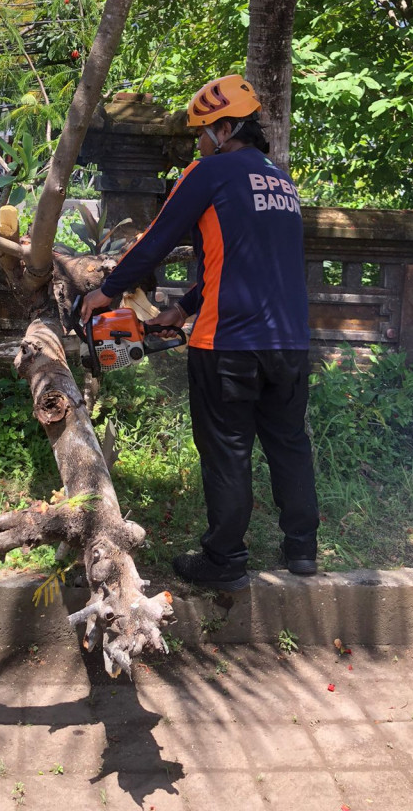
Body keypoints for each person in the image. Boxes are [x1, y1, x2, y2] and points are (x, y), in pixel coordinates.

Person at [81, 74, 319, 592]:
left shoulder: (209, 173)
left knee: (227, 447)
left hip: (230, 344)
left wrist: (108, 289)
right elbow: (245, 266)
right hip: (290, 343)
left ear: (227, 127)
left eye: (202, 132)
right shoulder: (281, 181)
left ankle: (224, 558)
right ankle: (302, 549)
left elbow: (155, 241)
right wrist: (183, 307)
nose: (197, 143)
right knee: (289, 443)